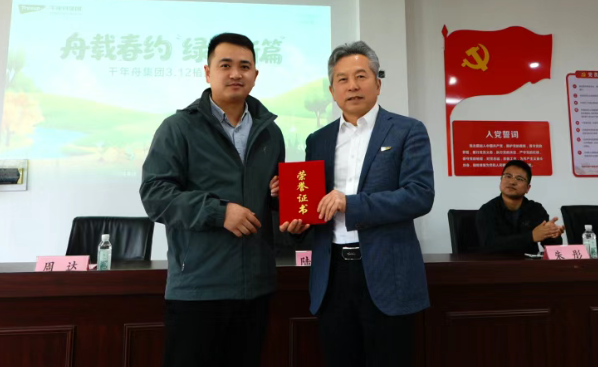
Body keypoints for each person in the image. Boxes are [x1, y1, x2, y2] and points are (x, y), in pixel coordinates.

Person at [275, 41, 434, 367]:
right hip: (332, 275)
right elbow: (314, 204)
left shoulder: (407, 131)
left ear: (378, 83)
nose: (352, 86)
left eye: (361, 76)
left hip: (386, 273)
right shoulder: (317, 140)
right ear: (332, 90)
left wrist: (351, 203)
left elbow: (420, 195)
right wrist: (296, 217)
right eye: (343, 79)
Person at [140, 32, 285, 367]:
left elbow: (272, 204)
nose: (236, 73)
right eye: (225, 65)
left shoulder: (270, 132)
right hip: (198, 288)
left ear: (255, 75)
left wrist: (280, 199)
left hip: (255, 288)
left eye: (244, 66)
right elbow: (155, 195)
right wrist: (219, 213)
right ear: (208, 72)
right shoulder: (178, 128)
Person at [476, 160, 563, 254]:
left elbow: (551, 247)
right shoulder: (487, 210)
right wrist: (531, 237)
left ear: (527, 188)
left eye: (519, 179)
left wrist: (553, 234)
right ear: (501, 180)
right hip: (497, 263)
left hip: (530, 262)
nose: (512, 182)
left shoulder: (536, 209)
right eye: (508, 176)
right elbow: (489, 244)